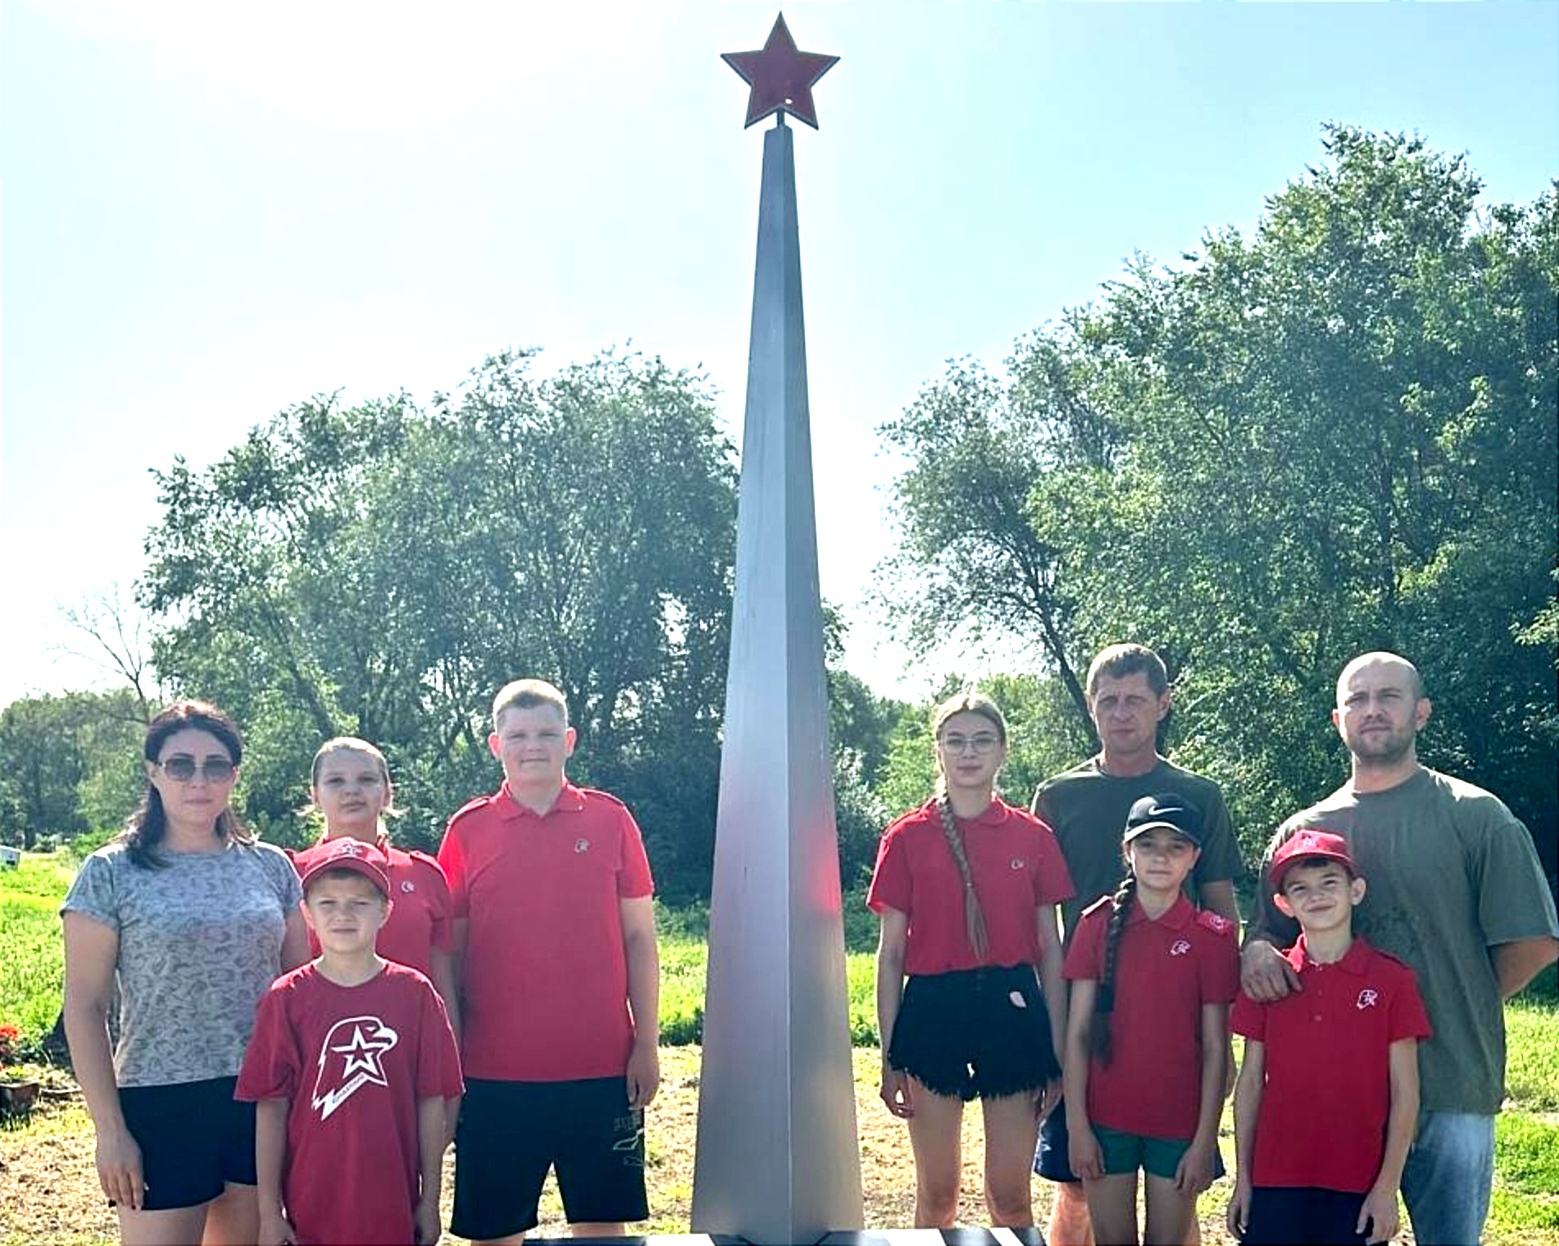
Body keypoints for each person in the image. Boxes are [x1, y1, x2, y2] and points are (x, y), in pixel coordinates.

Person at [1242, 651, 1559, 1246]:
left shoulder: (1476, 815)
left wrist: (1453, 999)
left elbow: (1533, 942)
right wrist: (1256, 951)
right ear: (1338, 719)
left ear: (1421, 712)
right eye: (1357, 700)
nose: (1373, 710)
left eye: (1389, 696)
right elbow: (1268, 930)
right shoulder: (1305, 829)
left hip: (1450, 1080)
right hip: (1334, 1099)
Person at [61, 700, 309, 1246]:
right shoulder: (111, 872)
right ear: (153, 772)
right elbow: (83, 1007)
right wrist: (110, 1131)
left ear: (234, 775)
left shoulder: (271, 867)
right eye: (180, 765)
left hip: (260, 1099)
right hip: (159, 1102)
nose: (199, 780)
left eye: (215, 765)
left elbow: (304, 992)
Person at [437, 678, 661, 1244]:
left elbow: (640, 938)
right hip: (494, 1074)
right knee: (495, 1232)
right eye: (517, 735)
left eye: (545, 733)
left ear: (570, 740)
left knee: (602, 1227)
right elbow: (451, 956)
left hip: (602, 1068)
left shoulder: (610, 820)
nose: (532, 746)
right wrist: (452, 1057)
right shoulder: (467, 830)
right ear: (496, 745)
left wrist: (647, 1043)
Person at [1033, 644, 1243, 1246]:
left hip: (1176, 1015)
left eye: (1135, 700)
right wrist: (1049, 1021)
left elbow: (1222, 905)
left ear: (1163, 703)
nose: (1121, 713)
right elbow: (1037, 915)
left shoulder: (1199, 794)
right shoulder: (1058, 795)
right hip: (1089, 1012)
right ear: (1091, 707)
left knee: (1177, 1191)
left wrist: (1220, 1014)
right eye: (1109, 701)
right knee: (1077, 1184)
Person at [869, 690, 1074, 1229]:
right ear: (937, 750)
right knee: (937, 1195)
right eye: (956, 741)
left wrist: (1054, 1049)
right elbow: (891, 955)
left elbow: (1050, 950)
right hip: (933, 1009)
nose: (969, 752)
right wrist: (890, 1053)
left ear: (1002, 750)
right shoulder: (906, 837)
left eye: (982, 740)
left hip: (1012, 1009)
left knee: (1010, 1198)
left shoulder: (1032, 837)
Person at [238, 839, 464, 1246]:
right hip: (311, 1203)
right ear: (307, 914)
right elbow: (271, 1106)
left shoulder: (415, 993)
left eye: (360, 903)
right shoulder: (286, 998)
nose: (343, 914)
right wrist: (269, 1213)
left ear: (385, 912)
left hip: (391, 1201)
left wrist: (430, 1200)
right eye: (328, 903)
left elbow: (432, 1099)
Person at [1228, 829, 1429, 1246]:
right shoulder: (1269, 980)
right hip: (1275, 1178)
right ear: (1283, 904)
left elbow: (1406, 1092)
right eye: (1300, 888)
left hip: (1357, 1181)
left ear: (1356, 891)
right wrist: (1243, 1179)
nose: (1316, 896)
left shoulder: (1392, 980)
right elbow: (1249, 1085)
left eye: (1329, 882)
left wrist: (1387, 1187)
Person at [1061, 794, 1238, 1246]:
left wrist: (1204, 1142)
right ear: (1127, 851)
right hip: (1105, 1118)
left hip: (1179, 1123)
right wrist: (1077, 1127)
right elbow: (1078, 1035)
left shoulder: (1212, 937)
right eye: (1148, 844)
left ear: (1195, 857)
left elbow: (1216, 1049)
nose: (1161, 857)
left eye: (1176, 847)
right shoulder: (1097, 924)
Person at [289, 737, 460, 1038]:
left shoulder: (424, 874)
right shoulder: (290, 874)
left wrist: (451, 1055)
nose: (351, 791)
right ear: (314, 795)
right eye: (335, 781)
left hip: (412, 1046)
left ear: (388, 793)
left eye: (366, 779)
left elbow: (443, 985)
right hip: (320, 1048)